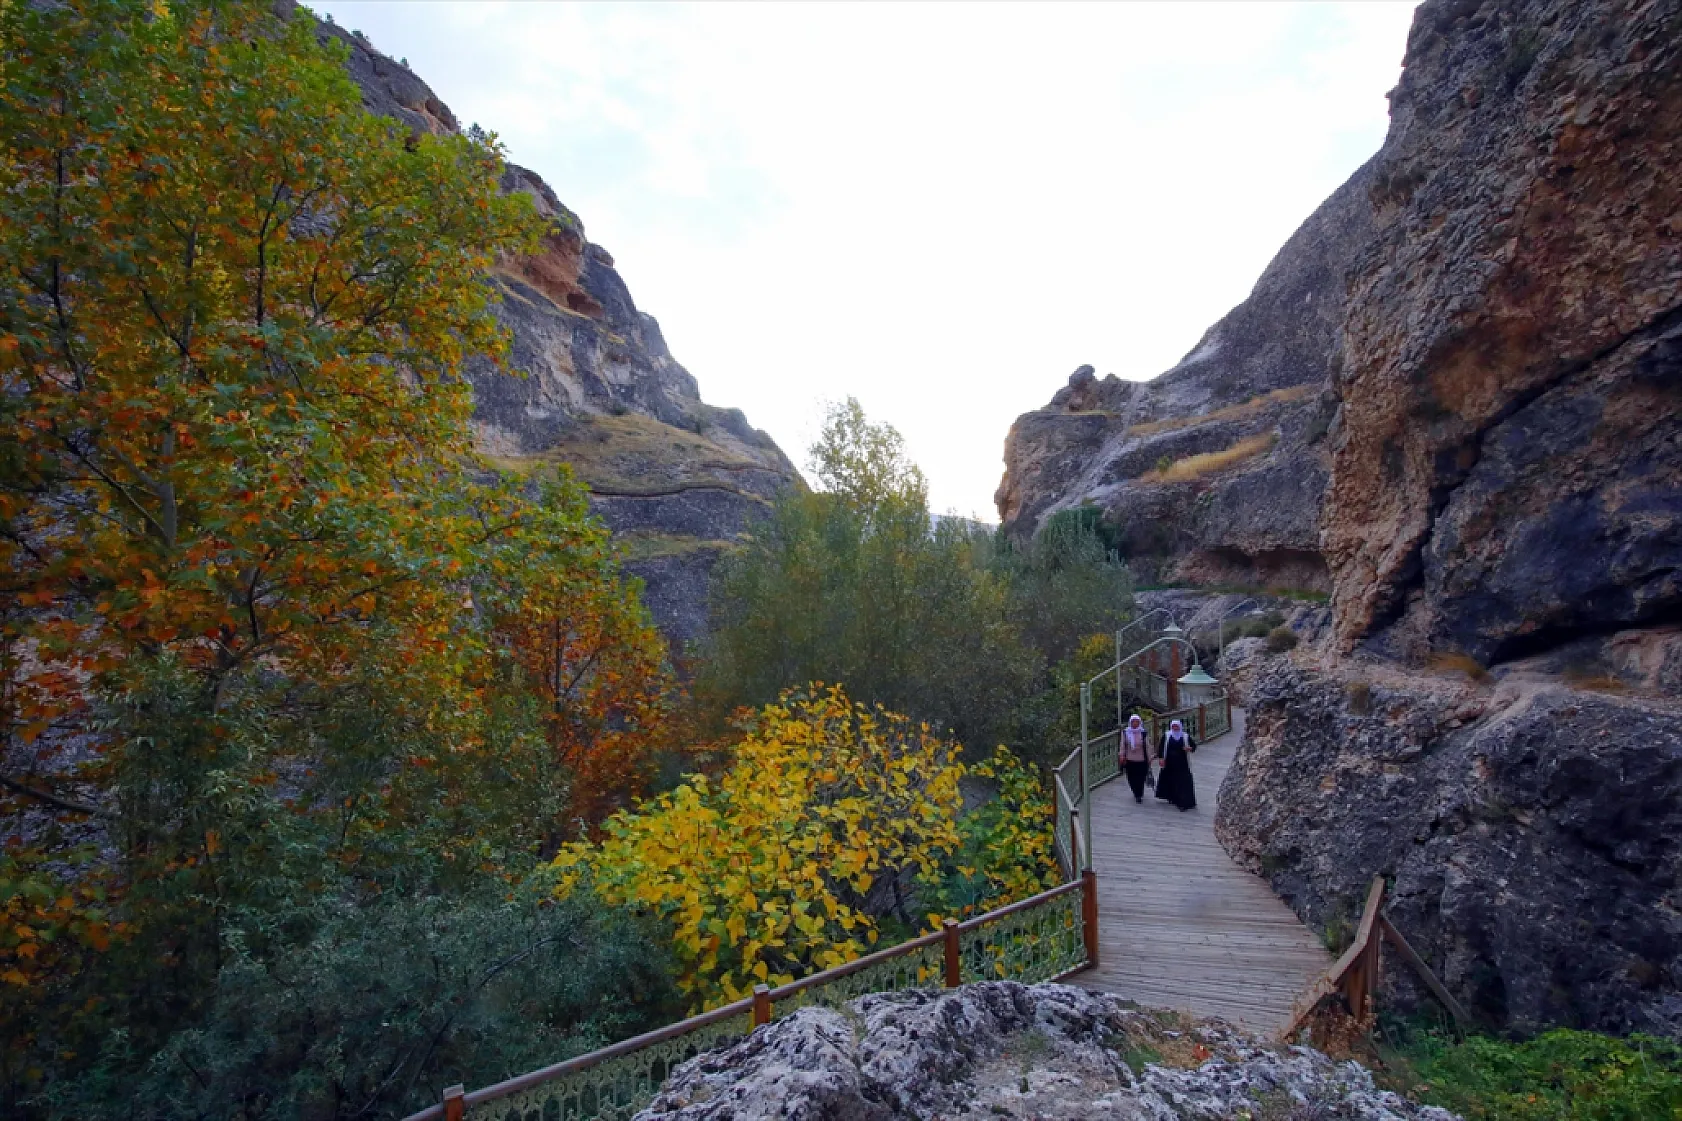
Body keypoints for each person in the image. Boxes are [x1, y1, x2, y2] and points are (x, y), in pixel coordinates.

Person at [1154, 718, 1197, 811]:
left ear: (1180, 726)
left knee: (1183, 782)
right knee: (1171, 780)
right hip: (1169, 763)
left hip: (1182, 763)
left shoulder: (1185, 736)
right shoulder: (1167, 735)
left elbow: (1193, 746)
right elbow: (1161, 748)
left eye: (1176, 726)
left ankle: (1183, 802)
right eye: (1173, 726)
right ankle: (1172, 797)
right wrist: (1161, 758)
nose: (1175, 728)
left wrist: (1189, 748)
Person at [1120, 714, 1154, 804]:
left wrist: (1150, 757)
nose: (1135, 723)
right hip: (1129, 759)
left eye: (1137, 722)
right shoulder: (1125, 732)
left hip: (1141, 759)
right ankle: (1135, 791)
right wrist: (1122, 755)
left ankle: (1139, 794)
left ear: (1139, 723)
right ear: (1130, 723)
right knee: (1131, 777)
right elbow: (1123, 745)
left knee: (1141, 777)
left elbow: (1147, 746)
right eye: (1133, 722)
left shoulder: (1143, 733)